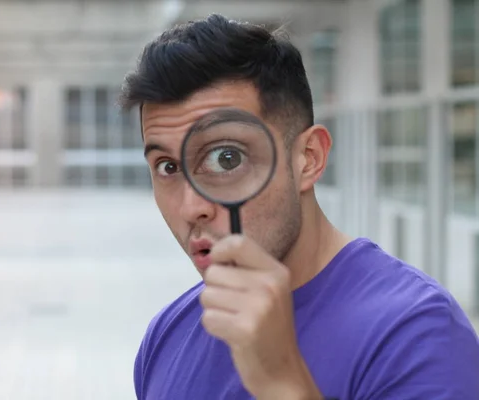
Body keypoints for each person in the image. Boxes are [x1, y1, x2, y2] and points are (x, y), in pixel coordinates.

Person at [119, 14, 479, 400]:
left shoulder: (418, 337)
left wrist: (282, 384)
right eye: (168, 167)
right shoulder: (167, 335)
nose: (192, 207)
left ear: (308, 158)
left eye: (226, 159)